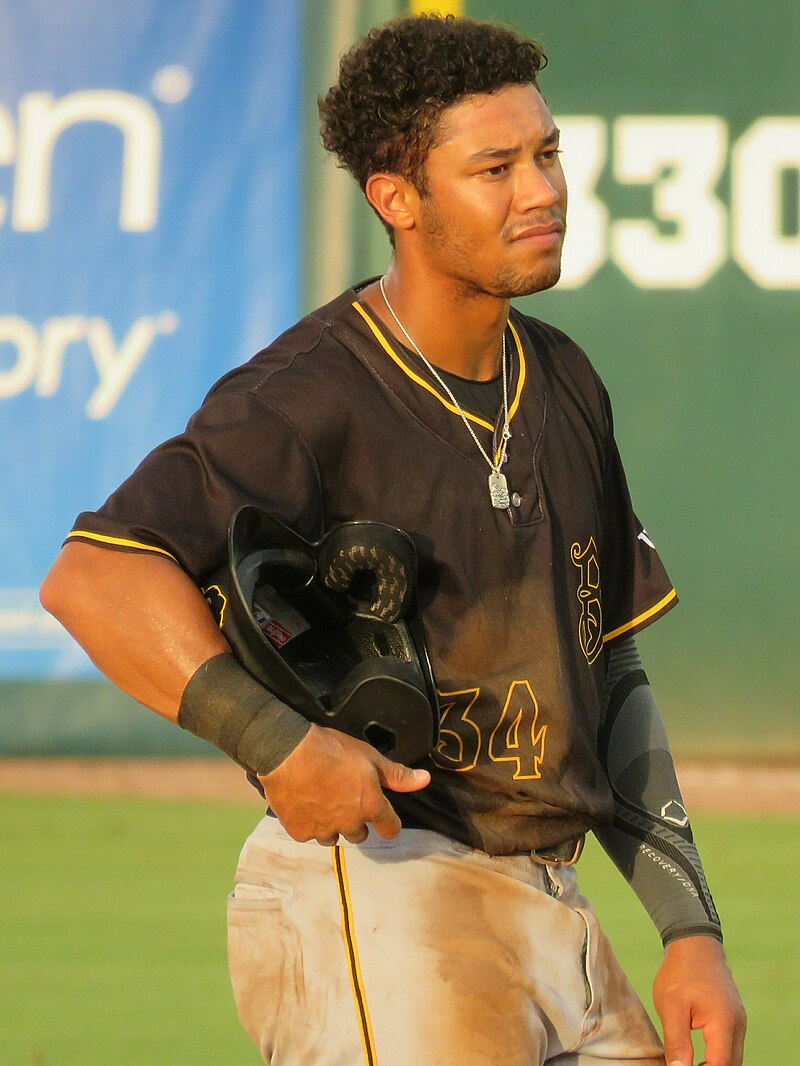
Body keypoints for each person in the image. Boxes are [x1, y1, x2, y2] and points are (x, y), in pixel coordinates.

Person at [40, 13, 746, 1066]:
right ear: (396, 200)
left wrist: (688, 926)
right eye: (494, 167)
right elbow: (92, 577)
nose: (541, 188)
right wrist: (273, 740)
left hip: (554, 898)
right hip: (385, 887)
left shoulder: (560, 380)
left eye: (546, 153)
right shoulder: (309, 395)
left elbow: (611, 667)